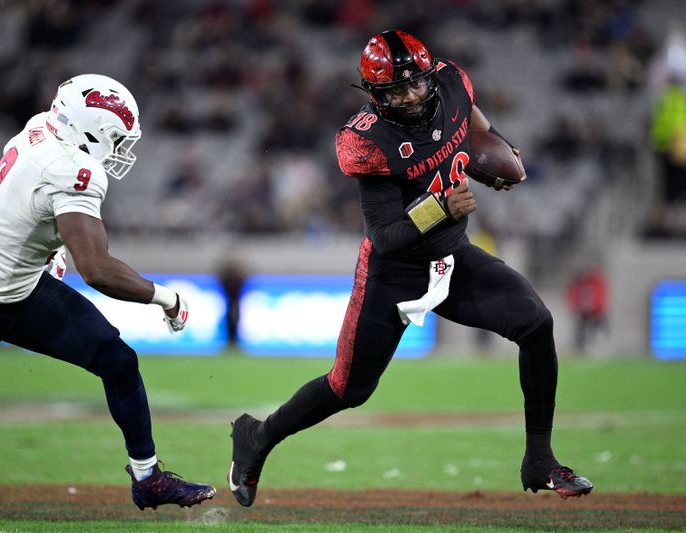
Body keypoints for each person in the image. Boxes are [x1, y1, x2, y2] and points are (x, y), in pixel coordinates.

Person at [228, 29, 593, 506]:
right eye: (393, 91)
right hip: (394, 274)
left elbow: (472, 122)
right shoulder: (368, 140)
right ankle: (258, 437)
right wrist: (442, 206)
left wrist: (491, 152)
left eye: (414, 85)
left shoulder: (453, 83)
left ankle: (540, 460)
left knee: (536, 323)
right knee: (347, 388)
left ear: (430, 76)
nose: (408, 96)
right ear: (374, 95)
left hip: (452, 257)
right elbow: (385, 236)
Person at [0, 74, 216, 510]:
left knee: (117, 359)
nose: (118, 149)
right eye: (115, 137)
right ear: (91, 128)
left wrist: (48, 249)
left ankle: (148, 479)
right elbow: (97, 269)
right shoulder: (73, 170)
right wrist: (164, 298)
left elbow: (19, 204)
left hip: (21, 287)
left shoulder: (42, 126)